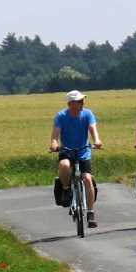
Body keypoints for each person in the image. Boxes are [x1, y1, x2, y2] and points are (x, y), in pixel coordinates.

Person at [49, 89, 101, 227]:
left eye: (82, 101)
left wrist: (97, 140)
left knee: (88, 179)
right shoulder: (61, 116)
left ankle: (90, 212)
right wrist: (54, 144)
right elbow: (55, 135)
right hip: (67, 150)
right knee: (65, 165)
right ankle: (66, 189)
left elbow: (92, 128)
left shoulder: (87, 114)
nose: (82, 103)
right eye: (79, 101)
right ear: (71, 104)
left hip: (83, 151)